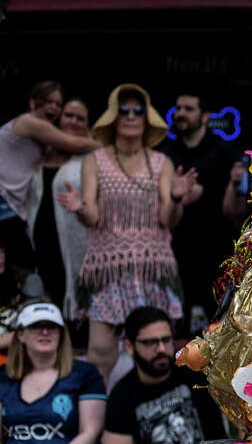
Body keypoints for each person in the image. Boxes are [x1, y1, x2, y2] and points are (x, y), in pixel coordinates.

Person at [59, 83, 196, 384]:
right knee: (100, 353)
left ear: (147, 119)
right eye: (124, 110)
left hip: (153, 269)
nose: (131, 116)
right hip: (107, 269)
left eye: (138, 110)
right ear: (113, 117)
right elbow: (92, 217)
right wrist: (80, 206)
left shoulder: (161, 162)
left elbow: (167, 220)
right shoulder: (95, 160)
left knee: (158, 351)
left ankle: (158, 421)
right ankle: (98, 422)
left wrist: (174, 198)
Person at [93, 306, 224, 444]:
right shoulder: (123, 394)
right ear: (129, 346)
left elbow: (239, 428)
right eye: (151, 342)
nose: (162, 348)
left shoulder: (194, 371)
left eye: (166, 339)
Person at [0, 302, 106, 444]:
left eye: (52, 326)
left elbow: (90, 433)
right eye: (36, 326)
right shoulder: (3, 377)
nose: (45, 332)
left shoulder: (84, 374)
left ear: (61, 334)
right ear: (20, 335)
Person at [157, 91, 241, 330]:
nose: (180, 114)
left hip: (215, 250)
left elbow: (237, 194)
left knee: (219, 324)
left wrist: (203, 193)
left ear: (205, 116)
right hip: (176, 250)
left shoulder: (224, 150)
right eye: (178, 108)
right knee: (175, 325)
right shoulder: (166, 154)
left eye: (188, 109)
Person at [0, 81, 100, 276]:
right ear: (32, 103)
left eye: (57, 104)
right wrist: (111, 146)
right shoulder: (29, 123)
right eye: (47, 101)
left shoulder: (46, 145)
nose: (53, 107)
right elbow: (73, 143)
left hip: (14, 212)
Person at [41, 97, 92, 314]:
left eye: (80, 119)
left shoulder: (91, 158)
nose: (73, 121)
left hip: (78, 242)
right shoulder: (41, 154)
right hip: (42, 241)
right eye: (68, 115)